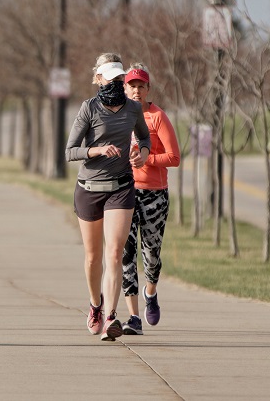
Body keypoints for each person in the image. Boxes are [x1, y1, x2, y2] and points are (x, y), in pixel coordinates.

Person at [65, 53, 151, 341]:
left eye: (119, 78)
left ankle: (112, 317)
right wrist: (96, 150)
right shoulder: (88, 108)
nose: (115, 83)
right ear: (98, 79)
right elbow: (69, 151)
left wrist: (143, 154)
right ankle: (96, 306)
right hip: (89, 189)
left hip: (121, 186)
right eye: (109, 78)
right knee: (93, 258)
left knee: (114, 253)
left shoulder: (133, 109)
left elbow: (145, 138)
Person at [120, 64, 180, 335]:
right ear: (124, 88)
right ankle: (133, 318)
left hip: (155, 194)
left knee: (151, 254)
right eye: (131, 85)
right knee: (126, 253)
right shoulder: (119, 116)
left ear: (148, 89)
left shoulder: (157, 117)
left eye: (140, 86)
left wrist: (148, 158)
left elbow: (175, 157)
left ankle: (151, 292)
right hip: (125, 192)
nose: (136, 90)